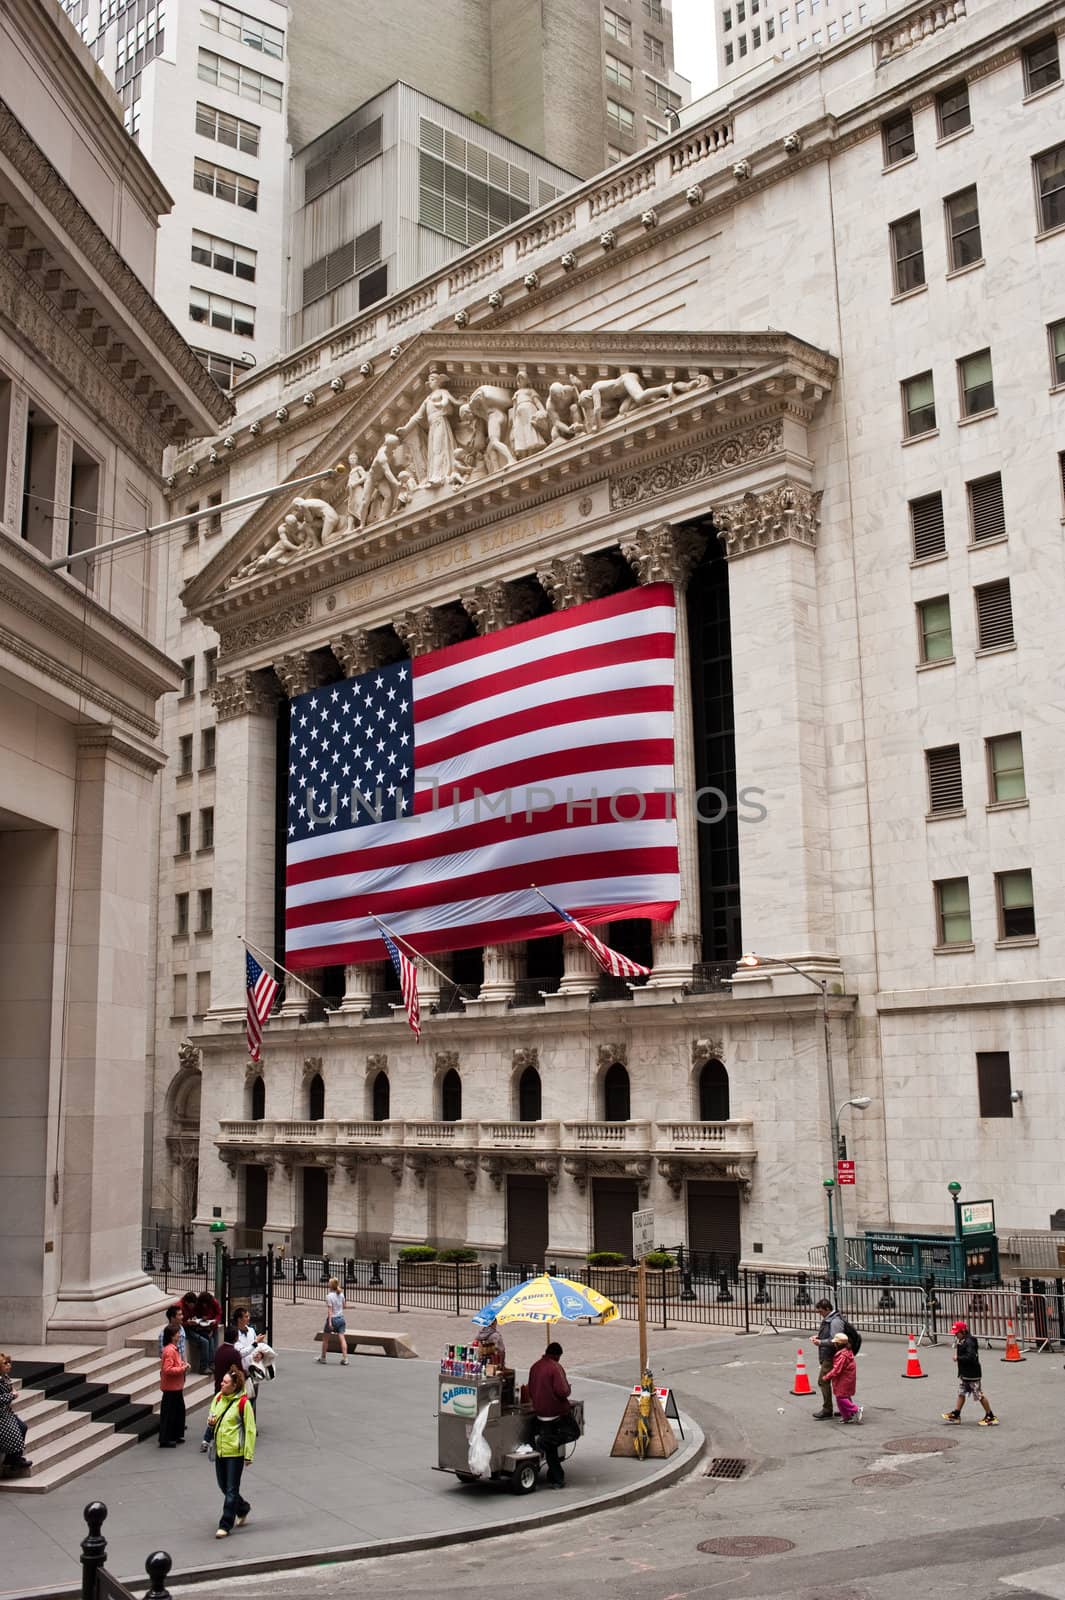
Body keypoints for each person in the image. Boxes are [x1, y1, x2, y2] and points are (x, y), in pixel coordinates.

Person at [206, 1366, 256, 1538]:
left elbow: (250, 1429)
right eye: (222, 1381)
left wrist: (248, 1454)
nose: (222, 1384)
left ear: (234, 1386)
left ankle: (225, 1524)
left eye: (226, 1382)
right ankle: (242, 1508)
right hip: (220, 1449)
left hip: (235, 1452)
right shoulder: (218, 1398)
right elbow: (213, 1415)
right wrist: (211, 1423)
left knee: (231, 1489)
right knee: (223, 1486)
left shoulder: (243, 1404)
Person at [528, 1341, 574, 1488]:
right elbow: (563, 1391)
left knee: (551, 1448)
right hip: (555, 1412)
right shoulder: (555, 1367)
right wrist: (568, 1389)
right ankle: (544, 1442)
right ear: (557, 1355)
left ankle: (557, 1479)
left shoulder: (535, 1366)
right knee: (574, 1431)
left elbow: (530, 1390)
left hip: (539, 1413)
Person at [943, 1319, 998, 1425]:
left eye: (957, 1333)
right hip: (965, 1374)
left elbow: (971, 1356)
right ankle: (956, 1414)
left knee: (979, 1395)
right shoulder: (963, 1340)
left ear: (963, 1331)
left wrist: (958, 1358)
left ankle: (990, 1415)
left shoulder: (970, 1341)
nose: (956, 1335)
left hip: (972, 1374)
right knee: (961, 1393)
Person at [812, 1297, 846, 1418]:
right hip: (832, 1355)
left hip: (831, 1356)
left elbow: (836, 1340)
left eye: (820, 1311)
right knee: (840, 1381)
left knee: (823, 1381)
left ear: (827, 1309)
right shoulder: (831, 1318)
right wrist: (820, 1336)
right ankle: (846, 1407)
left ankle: (827, 1409)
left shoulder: (835, 1321)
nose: (819, 1314)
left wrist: (820, 1342)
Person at [0, 1351, 32, 1475]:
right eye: (5, 1363)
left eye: (9, 1362)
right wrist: (11, 1395)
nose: (9, 1365)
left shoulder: (5, 1377)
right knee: (14, 1432)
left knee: (22, 1427)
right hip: (1, 1416)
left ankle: (13, 1459)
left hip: (6, 1412)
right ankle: (14, 1461)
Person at [158, 1326, 190, 1447]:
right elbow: (168, 1369)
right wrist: (182, 1368)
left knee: (177, 1412)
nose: (179, 1335)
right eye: (177, 1333)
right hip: (171, 1387)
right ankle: (166, 1438)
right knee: (169, 1414)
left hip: (175, 1387)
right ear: (172, 1336)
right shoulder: (169, 1351)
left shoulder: (172, 1349)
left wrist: (182, 1364)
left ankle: (175, 1435)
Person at [829, 1332, 862, 1424]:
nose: (834, 1344)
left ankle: (855, 1409)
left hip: (844, 1379)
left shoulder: (842, 1355)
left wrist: (827, 1376)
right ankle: (846, 1416)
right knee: (841, 1397)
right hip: (845, 1378)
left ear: (838, 1344)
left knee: (840, 1397)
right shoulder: (847, 1352)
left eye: (835, 1343)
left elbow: (837, 1369)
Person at [318, 1277, 348, 1365]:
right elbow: (344, 1306)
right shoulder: (341, 1294)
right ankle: (345, 1358)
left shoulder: (329, 1296)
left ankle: (323, 1357)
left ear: (331, 1285)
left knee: (325, 1339)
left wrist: (330, 1322)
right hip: (341, 1318)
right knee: (342, 1339)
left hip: (333, 1318)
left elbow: (330, 1310)